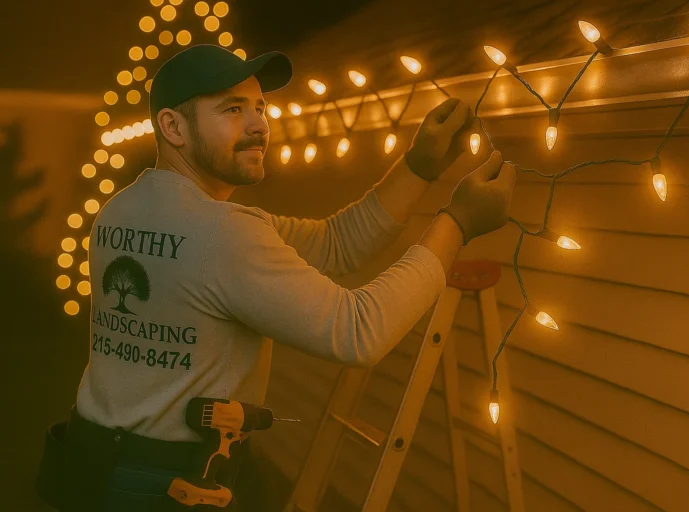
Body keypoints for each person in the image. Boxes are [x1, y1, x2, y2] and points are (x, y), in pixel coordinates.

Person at [35, 44, 516, 511]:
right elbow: (359, 331)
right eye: (232, 109)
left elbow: (336, 243)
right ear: (173, 126)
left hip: (92, 462)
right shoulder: (223, 233)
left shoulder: (120, 210)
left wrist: (418, 167)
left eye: (260, 108)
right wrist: (458, 223)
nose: (258, 125)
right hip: (166, 485)